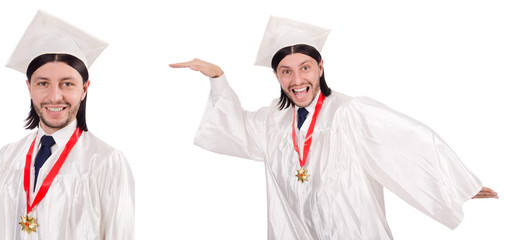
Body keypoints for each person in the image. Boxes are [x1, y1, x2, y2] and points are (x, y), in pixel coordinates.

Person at [170, 16, 498, 239]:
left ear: (320, 67)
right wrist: (217, 78)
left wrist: (456, 184)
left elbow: (406, 143)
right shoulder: (272, 121)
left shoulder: (349, 113)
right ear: (276, 76)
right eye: (286, 71)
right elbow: (233, 128)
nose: (297, 80)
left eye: (305, 68)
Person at [0, 10, 134, 240]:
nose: (54, 96)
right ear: (29, 88)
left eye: (67, 83)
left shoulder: (105, 162)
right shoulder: (6, 158)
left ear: (85, 89)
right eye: (43, 83)